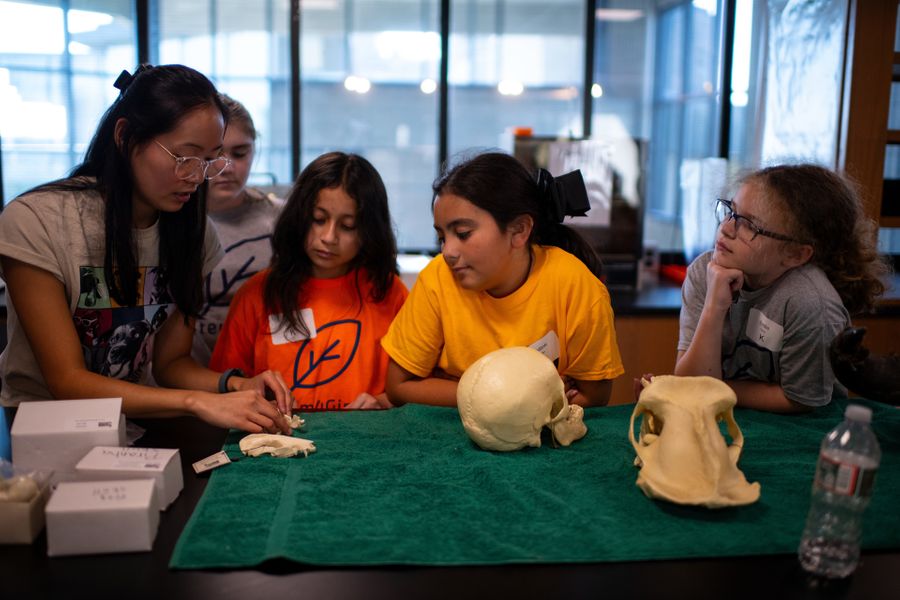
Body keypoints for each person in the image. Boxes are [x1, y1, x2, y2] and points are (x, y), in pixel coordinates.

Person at [0, 64, 291, 435]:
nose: (196, 176)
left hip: (138, 423)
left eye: (209, 160)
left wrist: (234, 385)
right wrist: (198, 401)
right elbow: (67, 381)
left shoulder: (194, 234)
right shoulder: (36, 221)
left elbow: (171, 363)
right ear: (125, 137)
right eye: (184, 157)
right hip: (44, 433)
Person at [380, 151, 624, 408]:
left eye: (462, 234)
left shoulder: (577, 287)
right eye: (442, 237)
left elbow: (593, 396)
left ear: (519, 231)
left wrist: (450, 386)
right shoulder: (437, 278)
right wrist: (502, 395)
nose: (447, 251)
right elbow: (398, 387)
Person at [674, 164, 890, 413]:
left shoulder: (810, 301)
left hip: (800, 430)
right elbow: (688, 386)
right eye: (731, 211)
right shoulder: (705, 271)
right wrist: (714, 305)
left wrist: (717, 388)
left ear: (795, 254)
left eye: (750, 226)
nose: (726, 228)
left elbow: (803, 399)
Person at [209, 151, 409, 411]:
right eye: (318, 219)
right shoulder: (257, 293)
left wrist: (381, 403)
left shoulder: (391, 293)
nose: (329, 237)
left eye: (347, 226)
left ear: (369, 232)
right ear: (299, 217)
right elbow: (226, 388)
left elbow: (411, 388)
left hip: (363, 441)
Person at [192, 94, 284, 366]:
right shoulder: (171, 220)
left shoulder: (283, 217)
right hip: (185, 379)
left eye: (240, 153)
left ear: (255, 150)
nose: (227, 167)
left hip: (265, 374)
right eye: (215, 154)